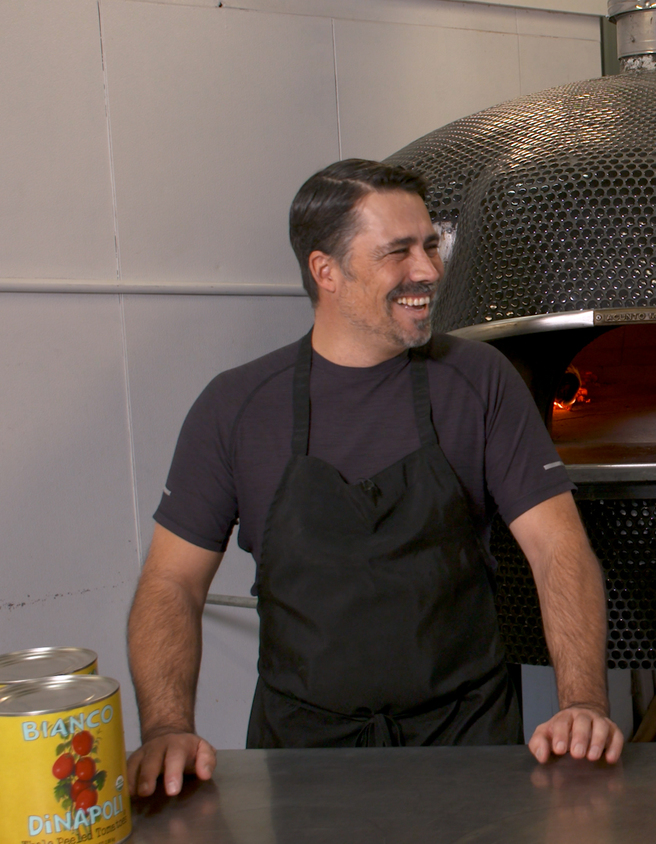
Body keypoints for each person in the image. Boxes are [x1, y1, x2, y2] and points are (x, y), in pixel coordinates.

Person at [126, 159, 624, 797]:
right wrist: (167, 727)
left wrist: (583, 703)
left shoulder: (480, 382)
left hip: (467, 745)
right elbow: (171, 583)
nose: (429, 270)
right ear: (326, 271)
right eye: (399, 252)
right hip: (300, 758)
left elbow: (559, 549)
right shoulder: (237, 407)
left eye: (430, 246)